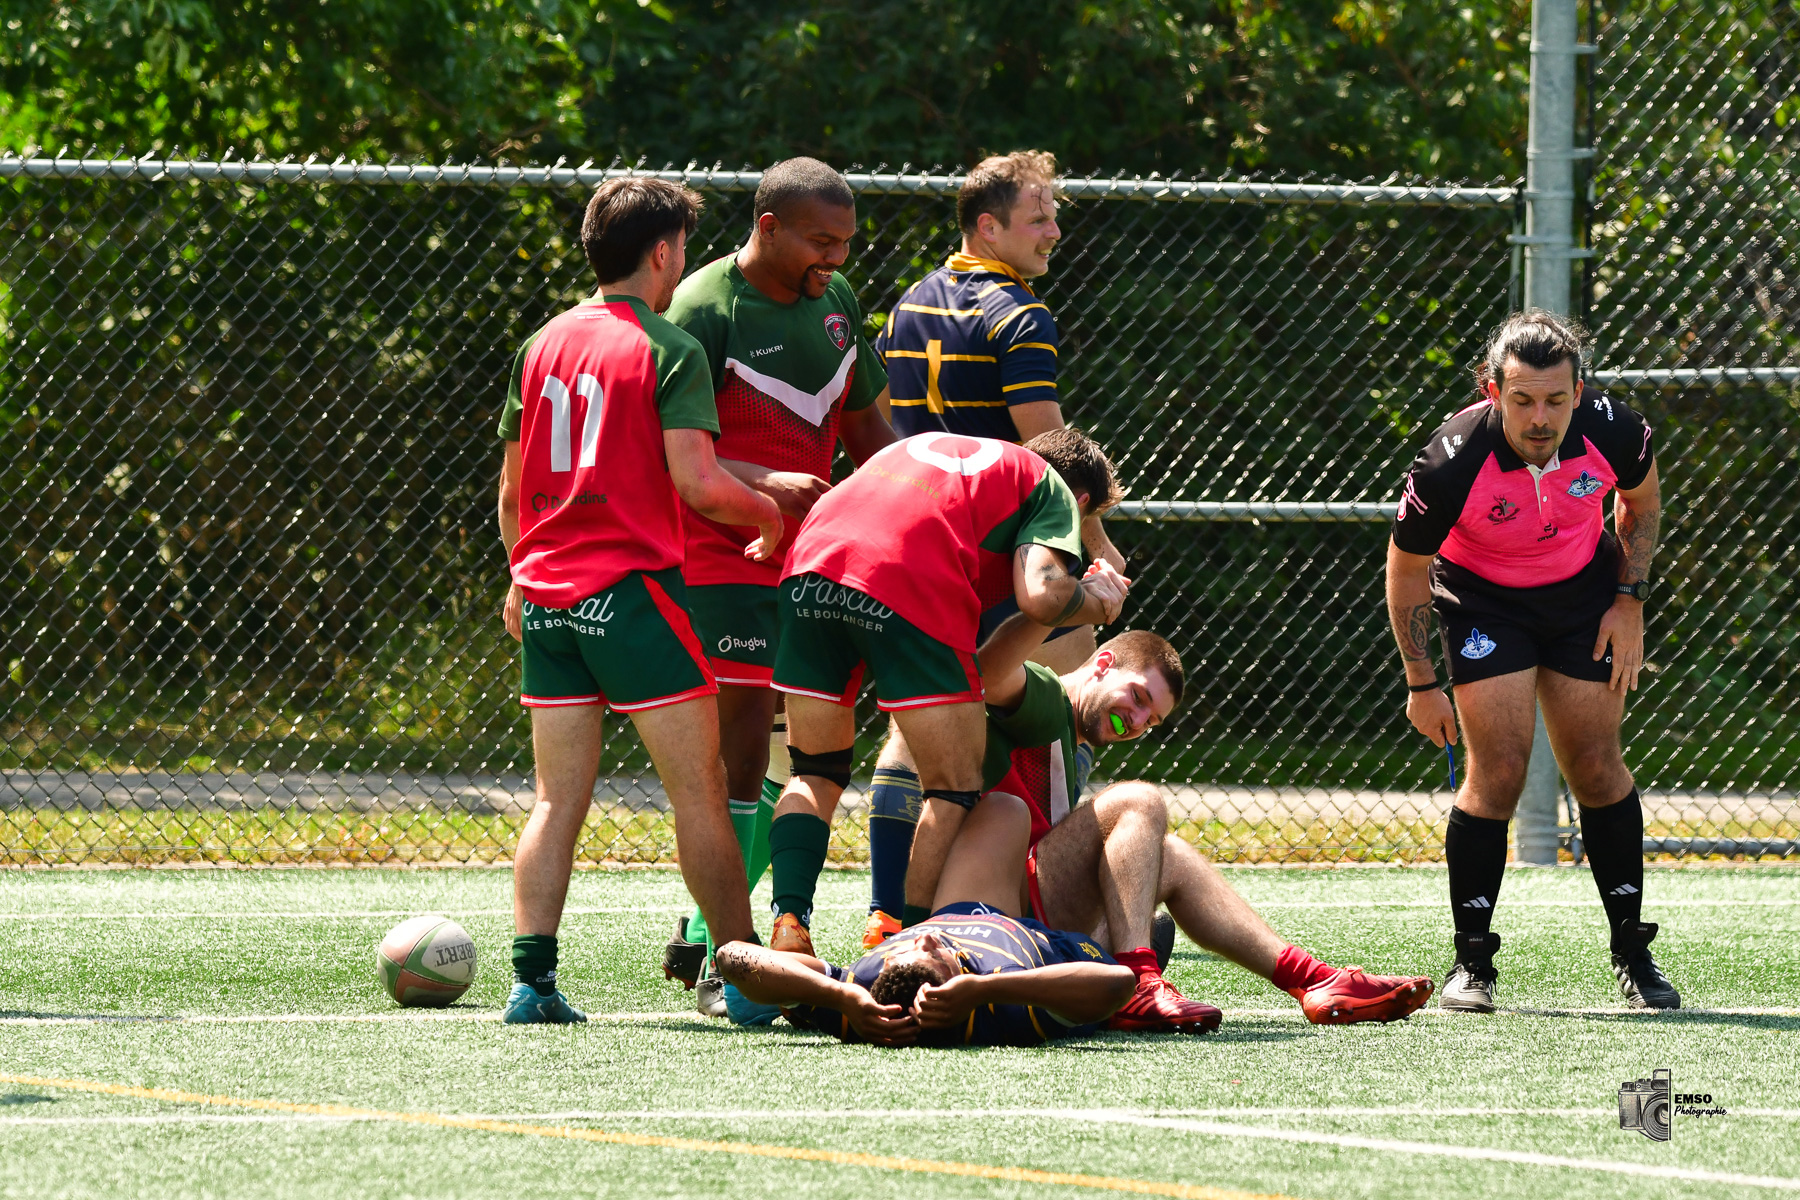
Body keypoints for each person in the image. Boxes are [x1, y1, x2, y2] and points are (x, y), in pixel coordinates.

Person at [494, 178, 782, 1024]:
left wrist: (519, 574)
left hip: (548, 602)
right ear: (663, 253)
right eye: (682, 247)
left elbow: (511, 496)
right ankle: (742, 977)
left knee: (556, 799)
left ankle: (531, 984)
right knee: (700, 790)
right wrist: (767, 511)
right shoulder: (668, 348)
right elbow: (698, 482)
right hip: (630, 598)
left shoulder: (541, 343)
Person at [862, 152, 1125, 944]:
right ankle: (1042, 894)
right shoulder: (1020, 314)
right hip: (1002, 545)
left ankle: (888, 911)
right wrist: (1096, 543)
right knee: (1057, 695)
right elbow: (1048, 448)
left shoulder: (909, 302)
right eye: (1038, 217)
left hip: (914, 535)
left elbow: (877, 408)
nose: (1054, 231)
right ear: (987, 226)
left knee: (914, 722)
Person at [658, 157, 898, 1014]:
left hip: (815, 560)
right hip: (723, 557)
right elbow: (664, 445)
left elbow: (871, 433)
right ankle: (726, 956)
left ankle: (708, 934)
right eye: (820, 241)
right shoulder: (703, 307)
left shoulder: (838, 303)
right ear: (768, 228)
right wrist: (763, 481)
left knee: (812, 757)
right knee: (746, 746)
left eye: (846, 242)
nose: (836, 257)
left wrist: (919, 497)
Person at [1385, 309, 1675, 1012]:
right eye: (1521, 400)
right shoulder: (1449, 461)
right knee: (1500, 771)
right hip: (1485, 604)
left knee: (1597, 765)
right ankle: (1471, 963)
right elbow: (1406, 568)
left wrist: (1629, 600)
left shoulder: (1615, 429)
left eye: (1554, 399)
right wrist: (1422, 682)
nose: (1539, 418)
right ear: (1493, 392)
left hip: (1583, 598)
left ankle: (1632, 952)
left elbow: (1641, 503)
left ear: (1579, 392)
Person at [764, 429, 1129, 964]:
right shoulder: (1048, 488)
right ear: (1079, 502)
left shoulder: (959, 459)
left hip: (811, 565)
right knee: (953, 787)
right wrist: (1096, 602)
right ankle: (912, 948)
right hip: (903, 574)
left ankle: (789, 923)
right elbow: (1042, 593)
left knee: (814, 771)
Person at [974, 614, 1437, 1027]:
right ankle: (1139, 980)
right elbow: (990, 674)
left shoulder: (1078, 741)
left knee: (1171, 854)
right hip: (996, 922)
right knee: (1139, 800)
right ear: (1103, 664)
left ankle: (1314, 979)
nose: (1136, 722)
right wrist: (1057, 603)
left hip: (1036, 919)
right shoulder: (1047, 696)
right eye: (1137, 697)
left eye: (1150, 721)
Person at [713, 794, 1137, 1046]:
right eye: (937, 958)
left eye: (904, 954)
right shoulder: (1005, 1006)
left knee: (1005, 808)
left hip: (969, 904)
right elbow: (1118, 982)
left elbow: (732, 956)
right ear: (953, 992)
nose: (925, 940)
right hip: (1051, 945)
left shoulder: (864, 996)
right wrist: (983, 988)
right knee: (1145, 860)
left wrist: (840, 997)